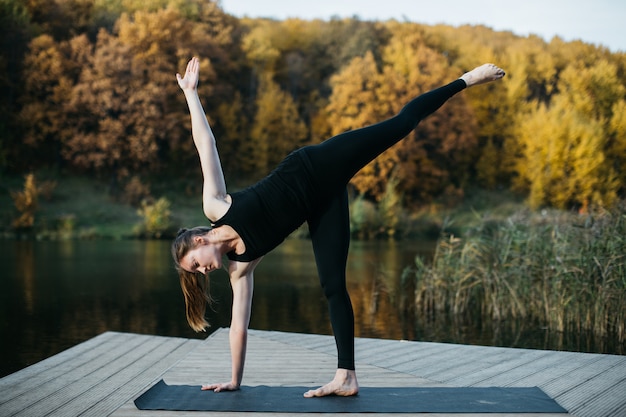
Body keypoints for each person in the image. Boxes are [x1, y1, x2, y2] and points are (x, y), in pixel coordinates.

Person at [171, 57, 505, 398]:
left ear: (199, 239)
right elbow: (238, 328)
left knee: (403, 123)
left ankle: (467, 79)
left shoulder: (215, 205)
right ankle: (346, 376)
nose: (203, 271)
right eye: (197, 273)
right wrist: (234, 380)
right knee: (333, 285)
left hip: (318, 164)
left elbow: (205, 145)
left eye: (196, 264)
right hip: (323, 204)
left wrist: (191, 94)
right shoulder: (240, 269)